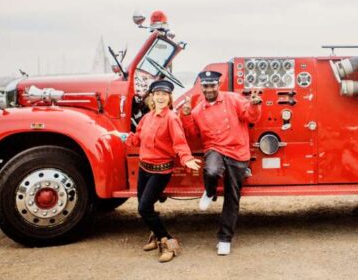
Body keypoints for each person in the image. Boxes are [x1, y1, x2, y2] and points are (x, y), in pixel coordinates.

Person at [109, 79, 201, 263]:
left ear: (169, 98)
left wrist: (187, 158)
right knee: (144, 207)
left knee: (144, 208)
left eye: (164, 95)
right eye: (157, 94)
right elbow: (138, 139)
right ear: (152, 97)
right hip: (144, 168)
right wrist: (122, 136)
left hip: (161, 171)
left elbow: (179, 142)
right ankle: (156, 237)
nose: (160, 97)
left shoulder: (172, 118)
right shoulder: (147, 117)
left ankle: (168, 241)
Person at [180, 70, 262, 255]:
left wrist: (255, 105)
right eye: (205, 86)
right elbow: (192, 133)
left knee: (233, 197)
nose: (209, 89)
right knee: (211, 171)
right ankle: (209, 192)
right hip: (215, 148)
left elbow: (251, 117)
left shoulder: (233, 99)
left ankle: (225, 239)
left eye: (212, 86)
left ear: (218, 85)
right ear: (201, 87)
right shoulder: (198, 110)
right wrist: (185, 115)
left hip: (237, 150)